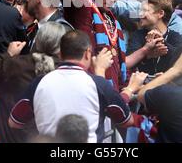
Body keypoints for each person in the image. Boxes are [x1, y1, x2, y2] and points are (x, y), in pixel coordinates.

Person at [9, 30, 143, 143]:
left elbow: (14, 122)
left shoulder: (39, 83)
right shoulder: (99, 84)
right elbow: (125, 120)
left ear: (60, 54)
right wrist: (130, 90)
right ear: (87, 53)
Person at [0, 22, 67, 142]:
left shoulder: (14, 64)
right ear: (61, 47)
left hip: (11, 137)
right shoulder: (68, 72)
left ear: (37, 41)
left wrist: (7, 55)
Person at [127, 0, 182, 74]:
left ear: (160, 13)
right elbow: (129, 63)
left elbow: (181, 61)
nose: (140, 14)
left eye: (145, 10)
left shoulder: (175, 37)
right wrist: (147, 54)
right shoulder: (137, 35)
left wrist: (162, 42)